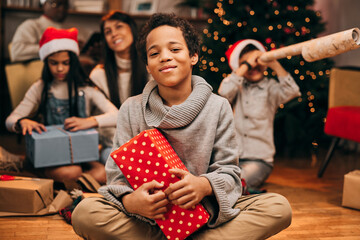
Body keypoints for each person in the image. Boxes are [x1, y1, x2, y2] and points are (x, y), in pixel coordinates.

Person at [71, 13, 292, 240]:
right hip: (147, 219)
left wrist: (203, 185)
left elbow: (230, 174)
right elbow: (116, 175)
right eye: (154, 53)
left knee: (278, 206)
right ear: (147, 65)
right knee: (85, 213)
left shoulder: (218, 107)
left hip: (206, 216)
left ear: (193, 56)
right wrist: (131, 201)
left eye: (175, 50)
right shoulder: (131, 108)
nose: (165, 57)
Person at [5, 27, 118, 185]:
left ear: (73, 62)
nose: (60, 68)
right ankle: (39, 167)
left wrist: (90, 121)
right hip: (51, 153)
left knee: (101, 173)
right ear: (46, 63)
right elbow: (10, 120)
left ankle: (62, 181)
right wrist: (21, 122)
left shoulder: (85, 88)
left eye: (65, 63)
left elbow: (117, 114)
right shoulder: (41, 88)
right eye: (54, 63)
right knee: (72, 171)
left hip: (82, 152)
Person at [218, 39, 301, 191]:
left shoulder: (271, 88)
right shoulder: (237, 87)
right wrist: (246, 64)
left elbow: (292, 90)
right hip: (231, 158)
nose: (254, 66)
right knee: (215, 179)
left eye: (257, 61)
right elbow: (224, 92)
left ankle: (244, 190)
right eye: (248, 64)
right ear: (239, 66)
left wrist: (273, 62)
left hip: (259, 160)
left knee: (236, 184)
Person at [89, 11, 148, 160]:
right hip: (112, 145)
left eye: (119, 27)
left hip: (146, 143)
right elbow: (95, 117)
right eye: (108, 32)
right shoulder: (98, 75)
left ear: (132, 30)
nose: (114, 34)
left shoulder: (150, 69)